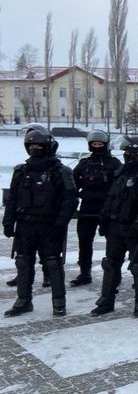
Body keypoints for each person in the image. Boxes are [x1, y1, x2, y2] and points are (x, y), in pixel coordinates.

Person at [3, 129, 77, 317]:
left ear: (49, 147)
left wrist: (60, 224)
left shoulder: (61, 172)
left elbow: (70, 201)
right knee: (23, 262)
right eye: (32, 146)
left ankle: (59, 301)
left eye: (39, 146)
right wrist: (8, 221)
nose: (35, 149)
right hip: (25, 226)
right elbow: (12, 198)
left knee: (52, 263)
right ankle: (23, 300)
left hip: (49, 225)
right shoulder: (21, 171)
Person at [91, 136, 138, 318]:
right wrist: (104, 220)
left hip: (137, 230)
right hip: (116, 226)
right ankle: (106, 300)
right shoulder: (122, 173)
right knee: (110, 264)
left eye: (128, 152)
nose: (126, 155)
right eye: (125, 152)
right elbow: (111, 198)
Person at [70, 131, 122, 287]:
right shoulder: (84, 164)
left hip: (108, 209)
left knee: (113, 244)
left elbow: (121, 185)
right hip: (87, 209)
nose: (97, 147)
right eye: (94, 144)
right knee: (84, 242)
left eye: (100, 144)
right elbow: (72, 185)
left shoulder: (114, 163)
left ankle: (113, 273)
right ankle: (85, 272)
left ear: (105, 145)